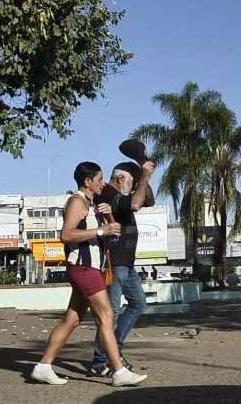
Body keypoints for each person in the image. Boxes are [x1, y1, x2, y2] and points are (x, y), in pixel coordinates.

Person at [30, 161, 148, 387]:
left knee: (72, 320)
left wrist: (108, 219)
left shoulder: (91, 204)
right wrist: (101, 229)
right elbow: (66, 235)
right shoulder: (76, 201)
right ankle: (118, 371)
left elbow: (111, 234)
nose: (103, 184)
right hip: (83, 268)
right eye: (100, 179)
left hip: (90, 268)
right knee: (106, 315)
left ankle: (43, 366)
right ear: (87, 182)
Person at [89, 159, 154, 377]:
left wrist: (142, 170)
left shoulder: (120, 195)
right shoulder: (108, 193)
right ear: (119, 179)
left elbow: (148, 200)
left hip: (127, 263)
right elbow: (136, 204)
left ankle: (113, 349)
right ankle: (100, 360)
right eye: (131, 182)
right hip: (115, 262)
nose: (134, 188)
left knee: (138, 304)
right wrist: (143, 176)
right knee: (111, 312)